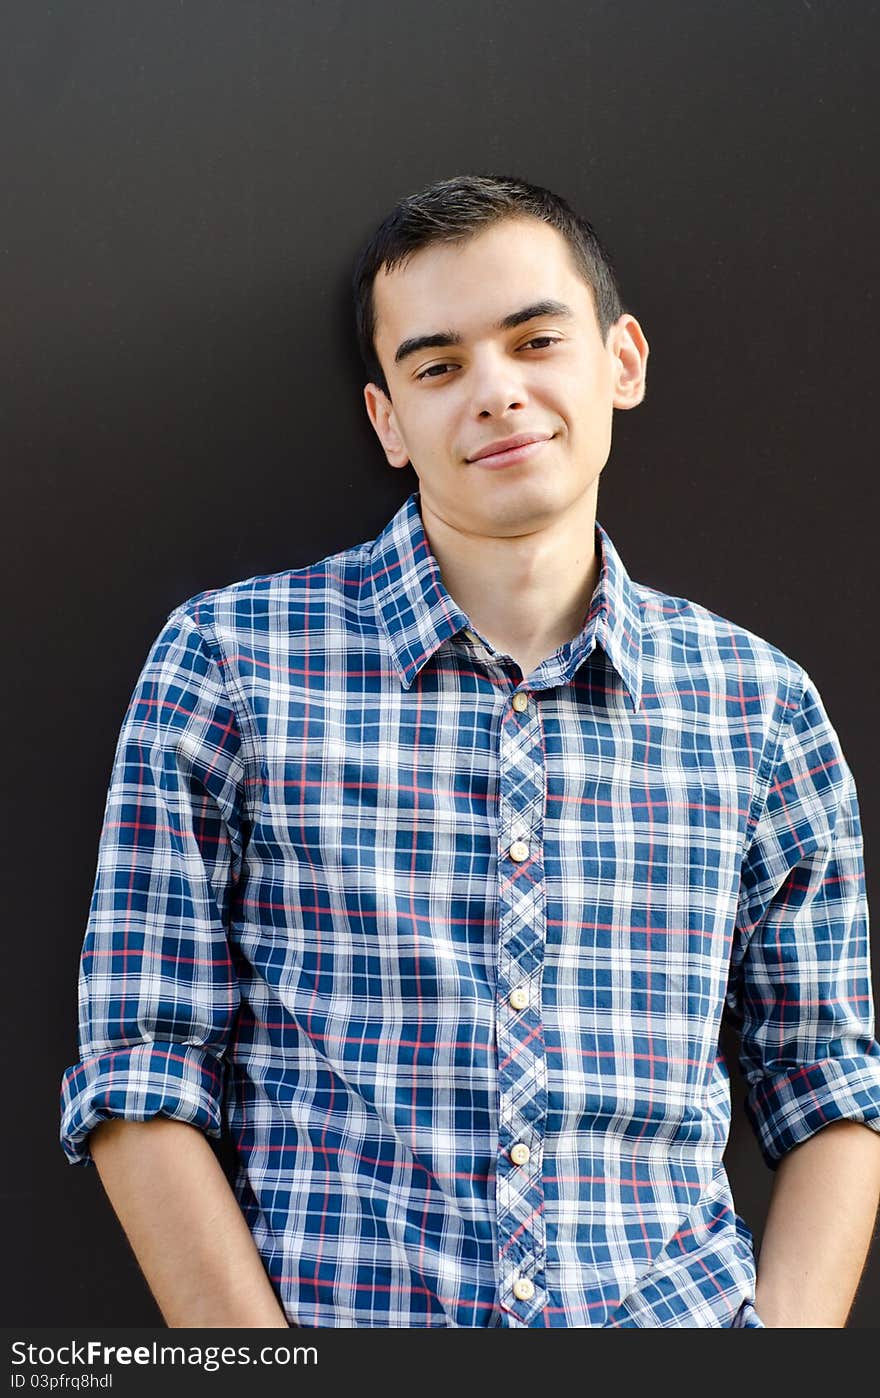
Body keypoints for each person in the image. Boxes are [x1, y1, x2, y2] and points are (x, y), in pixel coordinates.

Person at [60, 173, 880, 1329]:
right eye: (436, 366)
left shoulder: (759, 705)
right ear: (388, 420)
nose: (496, 393)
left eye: (535, 339)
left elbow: (829, 1083)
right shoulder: (229, 664)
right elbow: (143, 1063)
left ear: (621, 362)